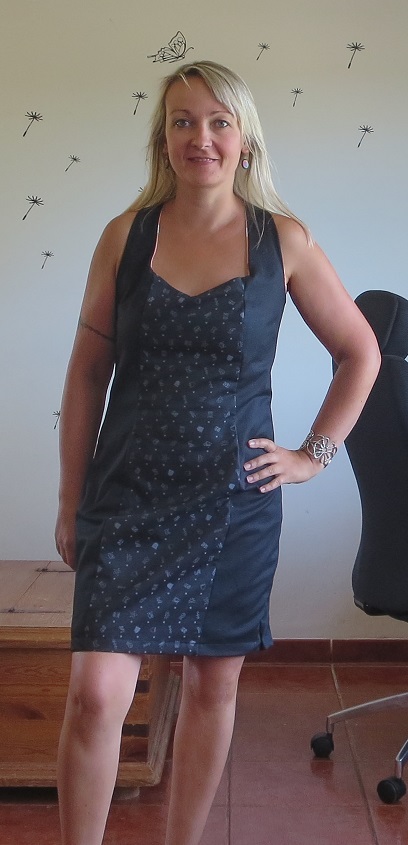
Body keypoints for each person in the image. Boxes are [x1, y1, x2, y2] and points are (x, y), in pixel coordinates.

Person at [55, 59, 380, 845]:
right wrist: (71, 499)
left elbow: (360, 352)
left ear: (245, 139)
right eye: (182, 121)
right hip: (126, 500)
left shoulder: (284, 241)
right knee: (96, 695)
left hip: (232, 508)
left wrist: (313, 454)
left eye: (218, 121)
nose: (200, 137)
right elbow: (88, 373)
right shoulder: (126, 236)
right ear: (163, 139)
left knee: (210, 689)